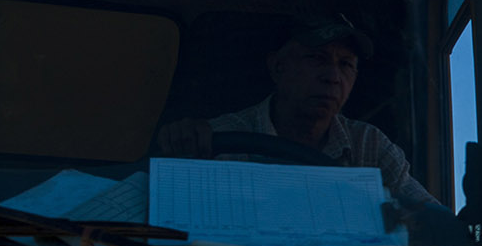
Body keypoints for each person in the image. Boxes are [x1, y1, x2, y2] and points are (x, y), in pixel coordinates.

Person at [157, 15, 437, 206]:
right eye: (317, 59)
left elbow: (427, 216)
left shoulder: (370, 146)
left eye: (346, 64)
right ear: (278, 67)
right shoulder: (221, 139)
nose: (333, 77)